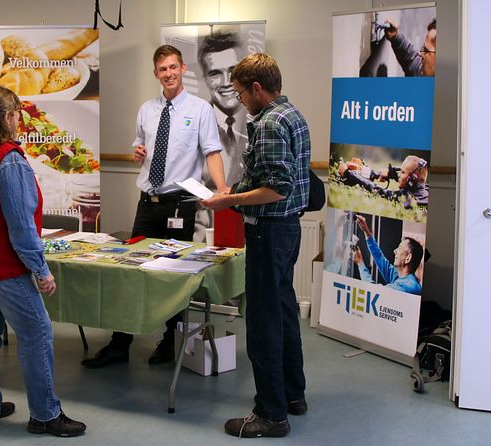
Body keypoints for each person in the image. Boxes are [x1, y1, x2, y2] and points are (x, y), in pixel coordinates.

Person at [80, 44, 228, 369]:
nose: (169, 74)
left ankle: (171, 341)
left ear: (183, 68)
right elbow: (140, 146)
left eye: (174, 67)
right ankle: (120, 343)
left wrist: (222, 189)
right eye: (163, 69)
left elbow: (212, 152)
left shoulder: (201, 109)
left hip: (180, 207)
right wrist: (137, 154)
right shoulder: (147, 109)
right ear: (156, 73)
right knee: (130, 272)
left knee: (173, 277)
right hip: (147, 203)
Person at [0, 85, 86, 437]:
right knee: (37, 332)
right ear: (9, 117)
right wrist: (41, 270)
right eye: (17, 114)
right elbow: (21, 225)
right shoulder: (8, 160)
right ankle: (45, 414)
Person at [202, 52, 310, 438]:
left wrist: (228, 200)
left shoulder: (267, 124)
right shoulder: (293, 114)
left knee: (263, 321)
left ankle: (270, 413)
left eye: (242, 93)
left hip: (269, 232)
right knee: (283, 312)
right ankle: (292, 397)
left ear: (257, 88)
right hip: (288, 231)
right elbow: (276, 178)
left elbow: (276, 189)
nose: (240, 100)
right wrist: (237, 190)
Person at [194, 31, 249, 240]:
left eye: (233, 71)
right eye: (215, 72)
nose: (226, 82)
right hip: (203, 236)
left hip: (251, 231)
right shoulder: (195, 124)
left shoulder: (260, 123)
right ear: (205, 78)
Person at [353, 215, 423, 295]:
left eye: (399, 248)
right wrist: (366, 231)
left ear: (408, 258)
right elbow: (379, 257)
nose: (394, 251)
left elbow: (373, 292)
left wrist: (360, 263)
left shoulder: (407, 287)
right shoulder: (399, 276)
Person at [337, 155, 429, 209]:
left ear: (412, 179)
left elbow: (378, 191)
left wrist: (348, 174)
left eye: (403, 172)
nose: (400, 175)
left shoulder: (409, 199)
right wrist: (391, 173)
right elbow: (408, 181)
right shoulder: (426, 190)